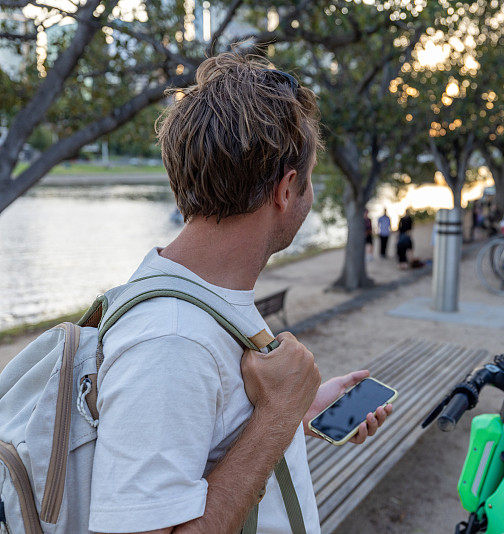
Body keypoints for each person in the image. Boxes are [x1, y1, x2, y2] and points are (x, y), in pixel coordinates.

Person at [89, 52, 392, 534]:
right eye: (309, 179)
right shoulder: (170, 340)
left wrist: (296, 415)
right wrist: (277, 414)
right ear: (286, 189)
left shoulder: (206, 300)